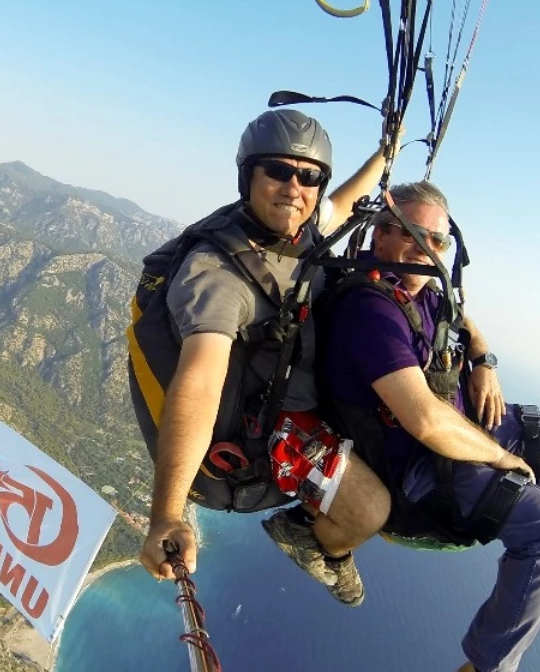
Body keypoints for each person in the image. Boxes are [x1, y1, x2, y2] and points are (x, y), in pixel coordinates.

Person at [316, 180, 540, 672]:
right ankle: (489, 671)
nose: (424, 249)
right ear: (382, 234)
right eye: (411, 236)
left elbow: (463, 320)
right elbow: (425, 422)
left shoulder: (426, 289)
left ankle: (529, 566)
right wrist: (504, 459)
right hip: (422, 467)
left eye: (435, 239)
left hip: (461, 429)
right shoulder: (371, 307)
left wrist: (484, 360)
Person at [137, 109, 394, 605]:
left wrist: (386, 152)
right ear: (247, 176)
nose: (294, 187)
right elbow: (200, 384)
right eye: (278, 171)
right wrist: (167, 514)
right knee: (371, 510)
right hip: (273, 427)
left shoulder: (298, 231)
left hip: (304, 384)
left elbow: (338, 207)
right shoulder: (217, 275)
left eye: (309, 175)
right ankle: (308, 538)